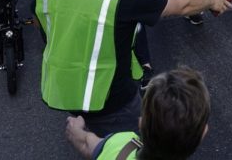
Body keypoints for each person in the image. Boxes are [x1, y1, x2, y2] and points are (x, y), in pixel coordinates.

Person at [35, 0, 232, 137]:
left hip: (64, 87)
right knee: (126, 145)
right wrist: (211, 0)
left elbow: (42, 18)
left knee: (90, 139)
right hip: (111, 99)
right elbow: (183, 5)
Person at [65, 67, 211, 160]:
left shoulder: (120, 143)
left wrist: (75, 128)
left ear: (141, 123)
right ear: (203, 133)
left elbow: (87, 144)